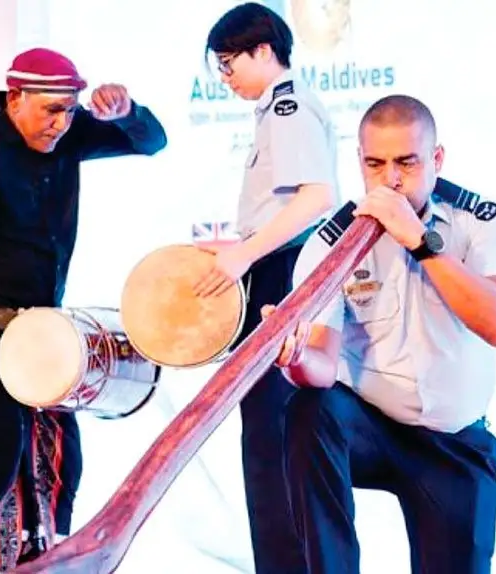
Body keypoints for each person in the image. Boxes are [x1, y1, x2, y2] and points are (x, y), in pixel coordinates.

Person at [0, 47, 167, 571]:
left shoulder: (70, 134)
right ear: (16, 98)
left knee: (60, 445)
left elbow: (151, 142)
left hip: (40, 328)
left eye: (70, 109)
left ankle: (43, 551)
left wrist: (128, 112)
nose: (62, 123)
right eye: (51, 110)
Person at [265, 94, 496, 574]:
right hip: (373, 428)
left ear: (436, 160)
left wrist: (417, 239)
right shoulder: (331, 242)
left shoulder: (479, 221)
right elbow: (321, 367)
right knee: (308, 408)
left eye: (406, 162)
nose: (390, 179)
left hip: (453, 441)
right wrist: (293, 356)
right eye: (375, 164)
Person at [198, 4, 338, 572]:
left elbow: (316, 197)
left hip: (281, 276)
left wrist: (244, 254)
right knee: (267, 437)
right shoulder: (274, 109)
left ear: (263, 50)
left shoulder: (287, 103)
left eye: (229, 62)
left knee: (271, 441)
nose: (226, 77)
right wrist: (236, 251)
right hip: (271, 268)